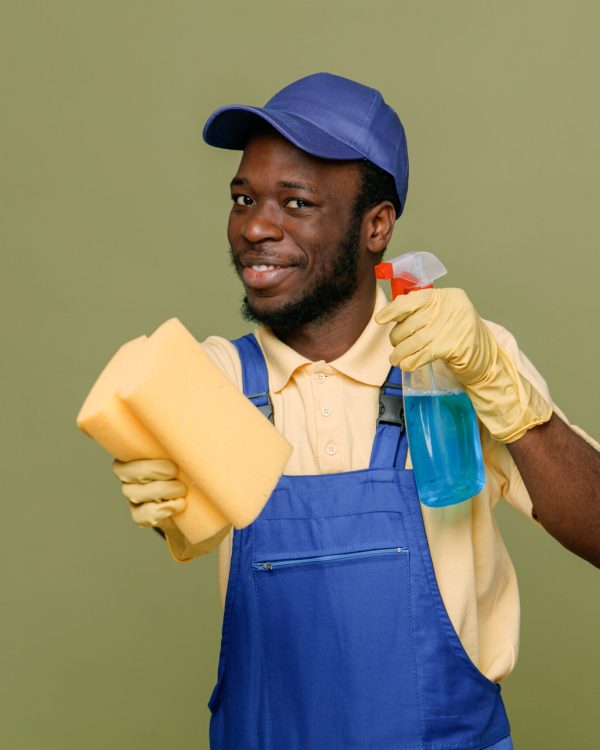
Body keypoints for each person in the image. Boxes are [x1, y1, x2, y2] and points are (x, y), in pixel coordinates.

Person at [112, 73, 600, 749]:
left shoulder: (453, 364)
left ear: (376, 226)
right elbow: (183, 518)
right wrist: (169, 509)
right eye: (244, 198)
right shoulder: (216, 380)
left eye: (296, 201)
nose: (255, 226)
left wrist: (512, 402)